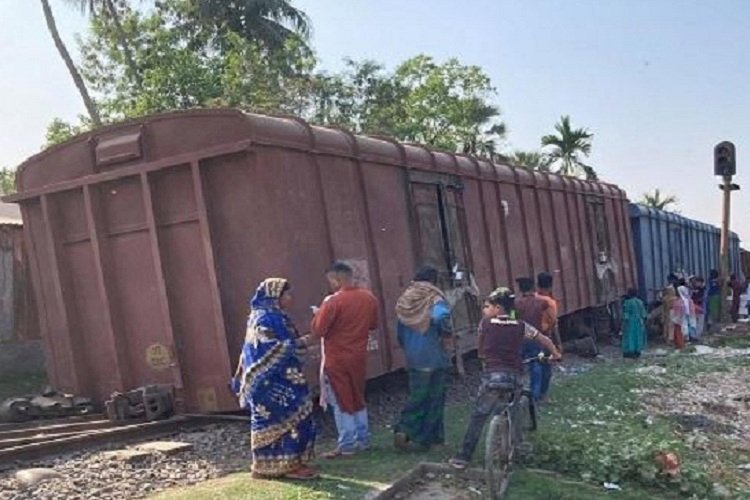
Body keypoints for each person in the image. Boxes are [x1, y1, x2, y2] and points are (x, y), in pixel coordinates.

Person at [448, 287, 562, 470]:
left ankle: (463, 457)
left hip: (492, 376)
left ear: (498, 308)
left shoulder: (485, 324)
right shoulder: (521, 325)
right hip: (514, 376)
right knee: (513, 410)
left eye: (487, 306)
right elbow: (544, 340)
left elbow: (481, 348)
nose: (485, 310)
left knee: (479, 415)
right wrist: (556, 354)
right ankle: (516, 447)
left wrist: (483, 355)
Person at [231, 278, 317, 480]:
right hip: (271, 381)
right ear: (274, 297)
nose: (290, 298)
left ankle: (283, 463)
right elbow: (272, 348)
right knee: (289, 419)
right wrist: (303, 341)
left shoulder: (269, 316)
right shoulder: (267, 319)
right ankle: (282, 466)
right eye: (286, 294)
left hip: (279, 378)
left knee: (288, 419)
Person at [311, 261, 379, 458]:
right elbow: (373, 325)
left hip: (336, 358)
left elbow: (318, 330)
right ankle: (363, 439)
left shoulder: (332, 302)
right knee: (357, 397)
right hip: (358, 356)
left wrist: (317, 315)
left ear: (336, 278)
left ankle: (347, 444)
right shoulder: (369, 298)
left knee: (341, 401)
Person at [393, 265, 453, 452]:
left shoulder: (405, 299)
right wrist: (446, 333)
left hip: (414, 356)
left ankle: (405, 429)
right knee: (435, 398)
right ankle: (431, 439)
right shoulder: (434, 298)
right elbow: (441, 317)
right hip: (434, 356)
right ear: (434, 281)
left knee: (417, 396)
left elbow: (400, 333)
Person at [516, 277, 551, 403]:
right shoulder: (541, 303)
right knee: (540, 364)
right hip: (537, 337)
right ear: (533, 287)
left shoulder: (517, 304)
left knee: (525, 366)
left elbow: (512, 321)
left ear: (520, 289)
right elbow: (550, 319)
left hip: (522, 338)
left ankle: (525, 395)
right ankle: (538, 394)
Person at [621, 288, 647, 358]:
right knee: (638, 335)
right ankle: (638, 350)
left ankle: (630, 351)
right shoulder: (640, 302)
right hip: (639, 321)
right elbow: (644, 313)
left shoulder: (627, 302)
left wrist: (623, 322)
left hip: (630, 321)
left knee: (630, 335)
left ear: (629, 294)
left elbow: (626, 314)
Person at [671, 284, 694, 350]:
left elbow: (677, 310)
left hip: (680, 317)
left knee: (679, 331)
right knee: (679, 331)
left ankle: (680, 344)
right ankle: (679, 344)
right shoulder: (688, 299)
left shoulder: (680, 301)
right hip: (685, 317)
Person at [690, 277, 706, 341]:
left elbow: (701, 299)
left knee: (699, 323)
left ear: (701, 282)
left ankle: (697, 336)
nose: (696, 283)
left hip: (700, 308)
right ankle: (694, 336)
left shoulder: (703, 289)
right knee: (694, 322)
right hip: (695, 307)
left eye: (697, 282)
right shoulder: (696, 289)